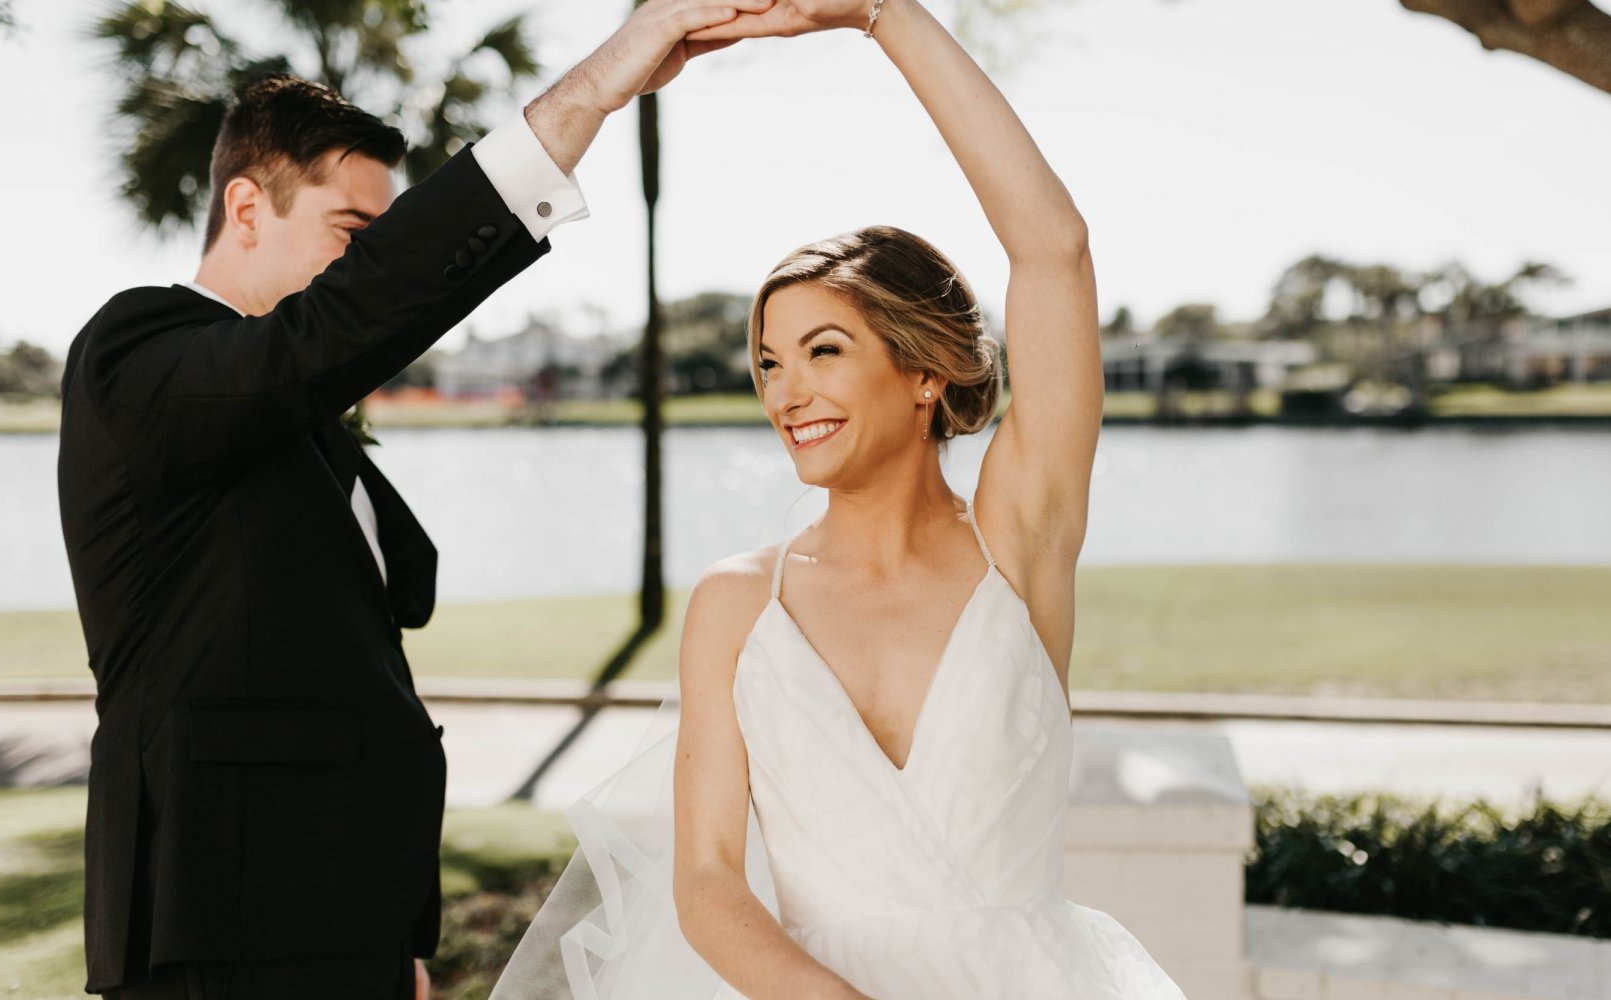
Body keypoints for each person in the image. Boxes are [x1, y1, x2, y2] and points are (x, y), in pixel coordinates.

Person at [54, 2, 770, 996]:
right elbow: (338, 329)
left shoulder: (297, 417)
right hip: (219, 928)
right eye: (352, 232)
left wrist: (396, 943)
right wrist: (597, 89)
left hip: (345, 927)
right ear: (247, 207)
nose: (371, 270)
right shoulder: (137, 351)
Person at [495, 1, 1189, 996]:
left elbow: (1054, 250)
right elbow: (704, 882)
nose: (787, 391)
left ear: (923, 374)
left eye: (825, 352)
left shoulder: (1019, 541)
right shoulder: (738, 605)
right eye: (770, 361)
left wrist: (881, 15)